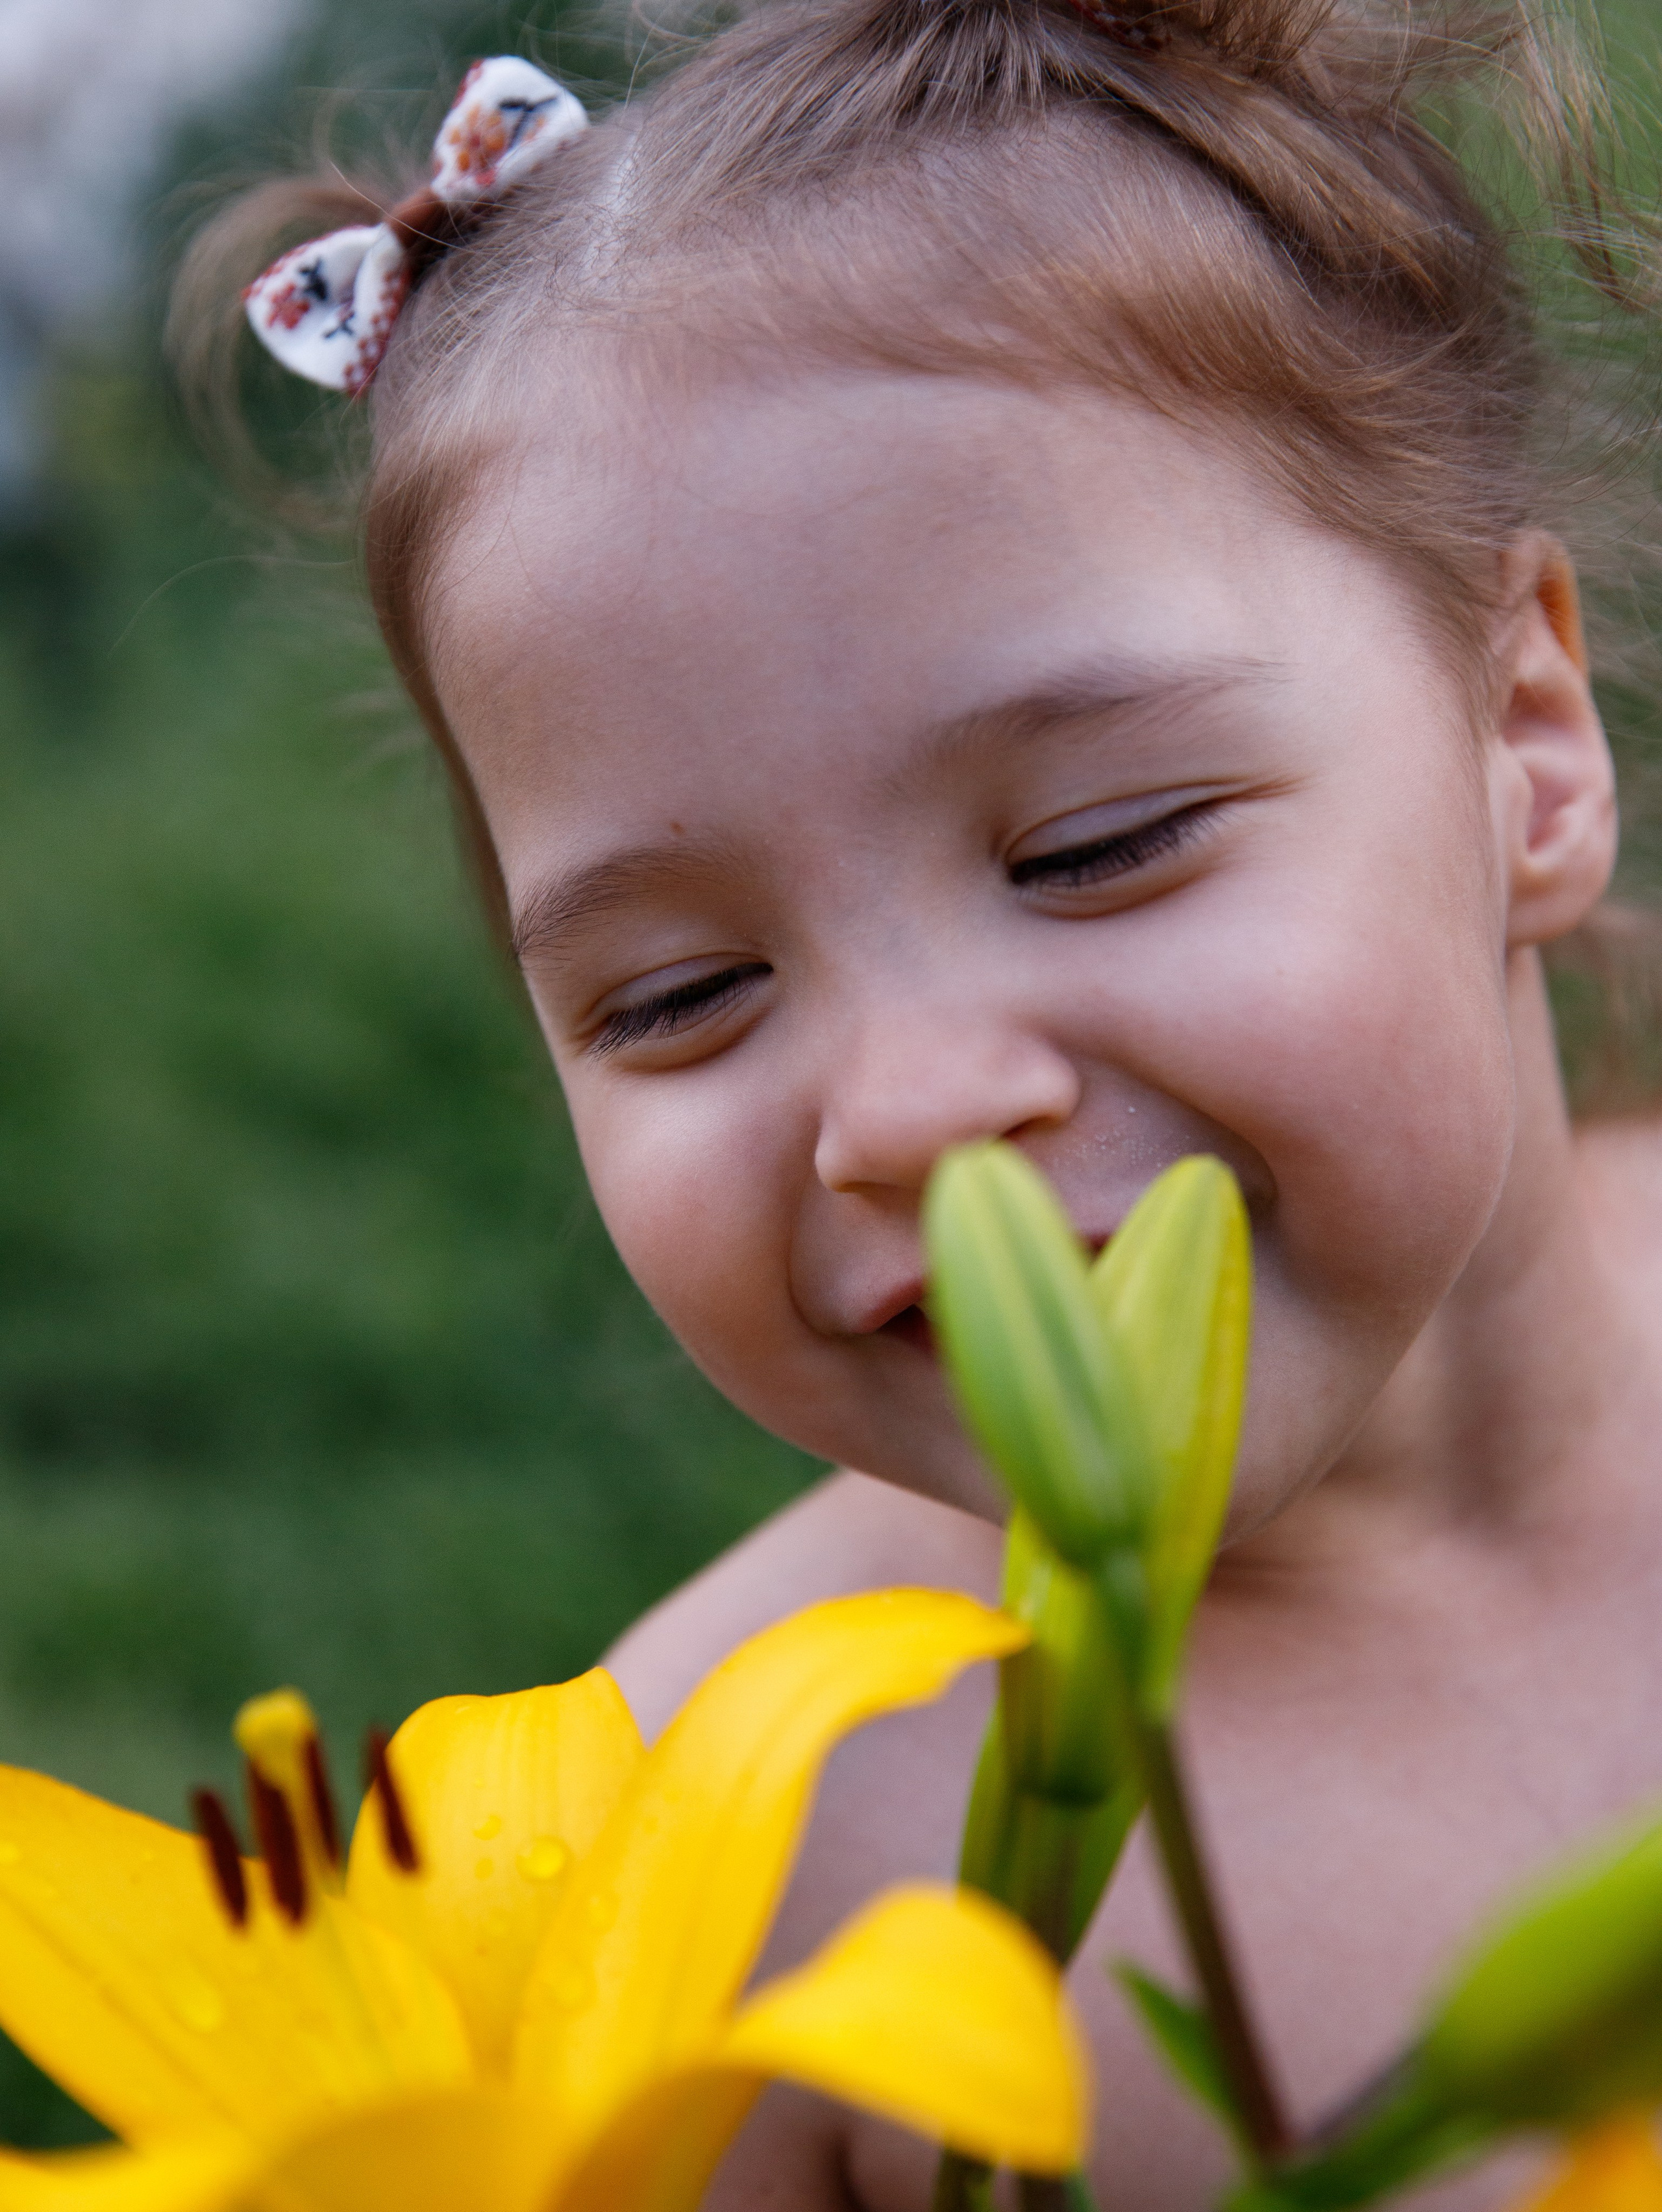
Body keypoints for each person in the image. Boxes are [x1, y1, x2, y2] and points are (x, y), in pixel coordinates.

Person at [181, 4, 1662, 2204]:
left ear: (1525, 753)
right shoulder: (699, 1854)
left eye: (1096, 845)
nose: (907, 1110)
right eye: (678, 996)